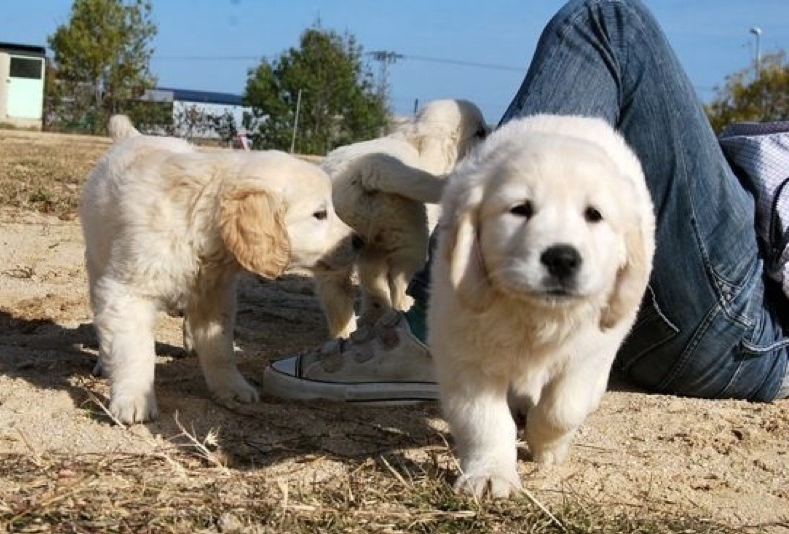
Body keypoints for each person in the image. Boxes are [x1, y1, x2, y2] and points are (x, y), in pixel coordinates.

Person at [263, 0, 789, 403]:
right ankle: (469, 326)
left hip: (745, 318)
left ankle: (433, 337)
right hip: (702, 271)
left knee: (608, 23)